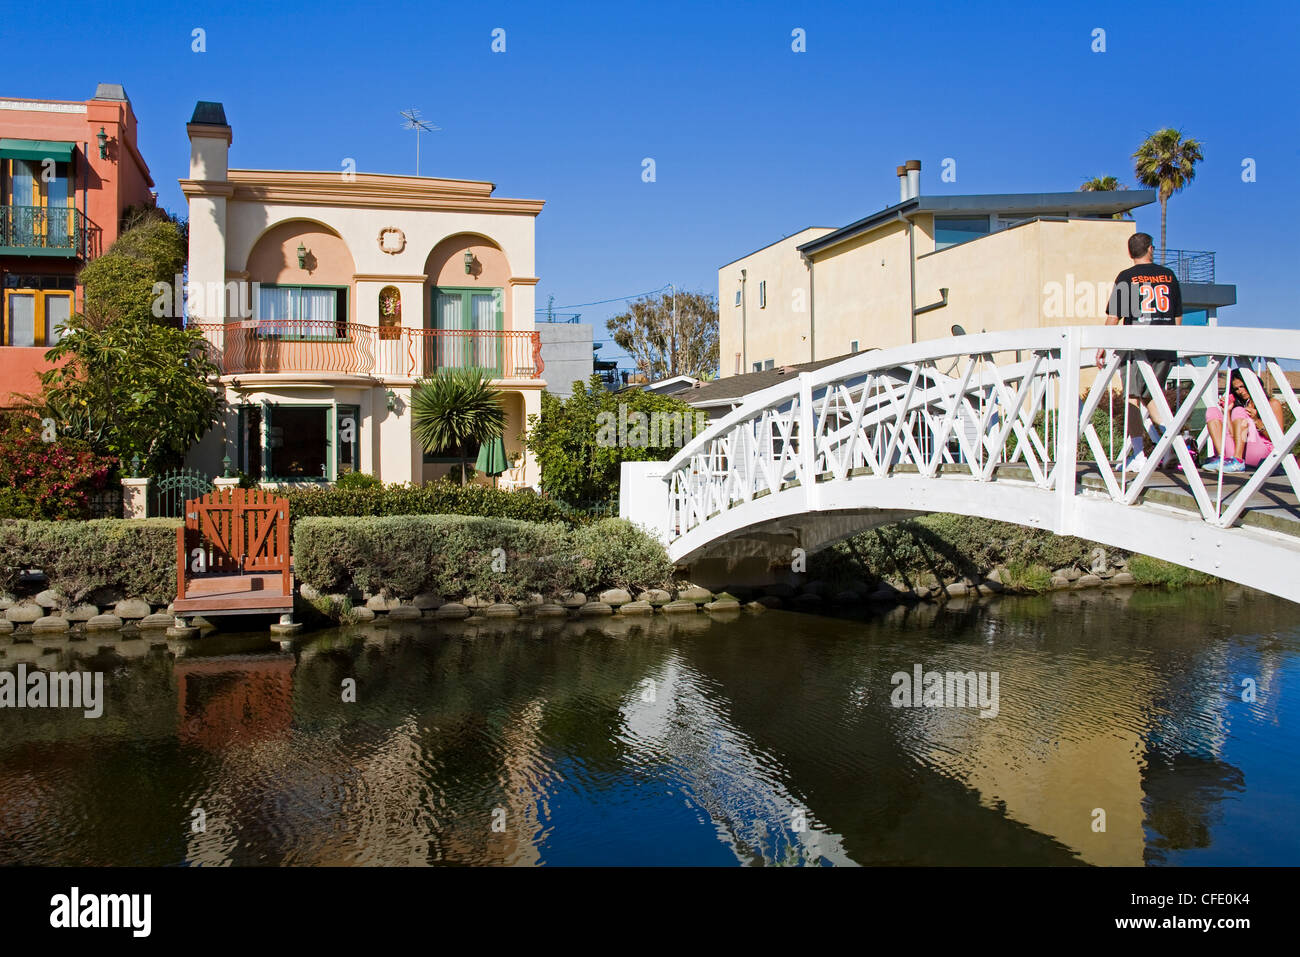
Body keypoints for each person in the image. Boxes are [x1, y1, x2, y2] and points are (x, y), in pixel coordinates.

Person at [1097, 232, 1182, 473]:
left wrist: (1102, 345)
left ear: (1130, 252)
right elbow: (1177, 317)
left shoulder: (1127, 277)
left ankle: (1138, 454)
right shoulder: (1168, 276)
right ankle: (1170, 449)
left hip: (1137, 347)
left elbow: (1115, 315)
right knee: (1152, 397)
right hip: (1164, 347)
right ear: (1150, 249)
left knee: (1133, 398)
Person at [1203, 370, 1284, 472]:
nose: (1240, 391)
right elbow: (1234, 436)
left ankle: (1237, 460)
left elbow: (1280, 440)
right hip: (1243, 452)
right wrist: (1227, 412)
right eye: (1236, 389)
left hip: (1263, 453)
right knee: (1212, 411)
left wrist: (1256, 420)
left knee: (1238, 410)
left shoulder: (1272, 403)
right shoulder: (1241, 405)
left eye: (1242, 386)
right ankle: (1222, 459)